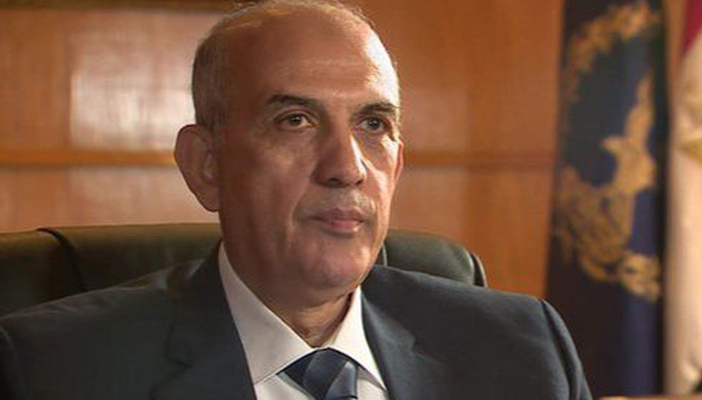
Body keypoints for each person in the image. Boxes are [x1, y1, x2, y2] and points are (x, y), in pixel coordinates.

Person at [0, 1, 592, 399]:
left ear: (396, 165)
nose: (347, 169)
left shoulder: (522, 347)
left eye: (373, 125)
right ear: (206, 165)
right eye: (295, 121)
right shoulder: (54, 369)